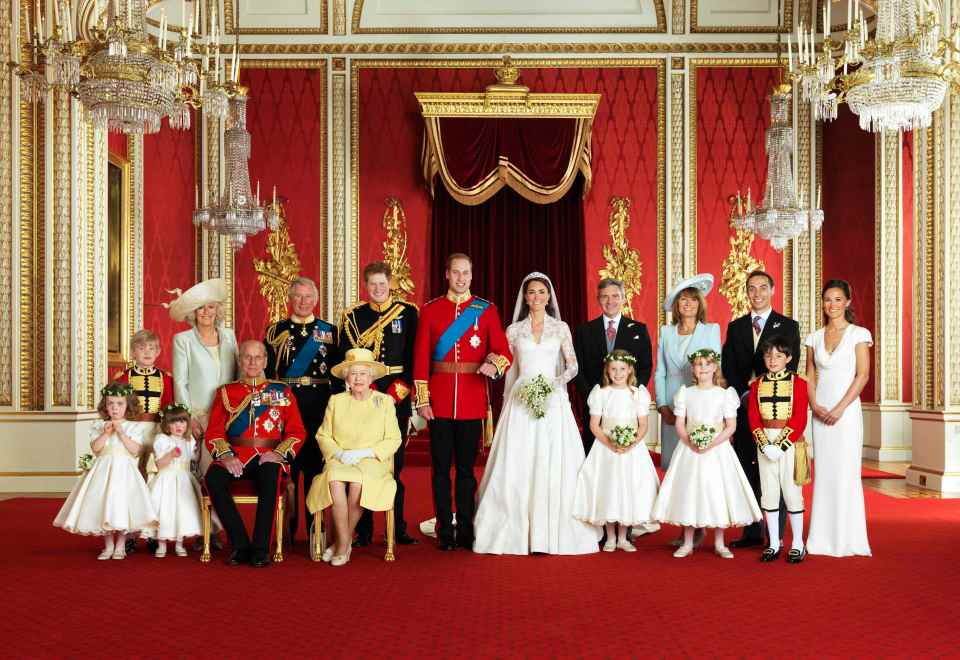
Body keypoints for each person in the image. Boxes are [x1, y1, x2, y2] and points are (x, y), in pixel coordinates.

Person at [473, 272, 600, 555]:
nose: (536, 297)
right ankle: (514, 531)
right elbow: (508, 366)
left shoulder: (561, 328)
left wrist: (552, 385)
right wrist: (501, 380)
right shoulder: (514, 330)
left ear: (549, 296)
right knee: (518, 461)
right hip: (521, 399)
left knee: (552, 460)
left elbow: (573, 366)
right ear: (525, 296)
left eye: (541, 292)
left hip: (553, 400)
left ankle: (552, 531)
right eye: (531, 292)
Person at [413, 253, 512, 551]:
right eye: (456, 273)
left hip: (471, 401)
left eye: (466, 273)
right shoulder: (430, 311)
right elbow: (420, 359)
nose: (461, 278)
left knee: (467, 471)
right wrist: (422, 399)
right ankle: (445, 531)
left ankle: (467, 530)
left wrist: (494, 365)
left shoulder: (487, 310)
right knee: (441, 471)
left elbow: (504, 352)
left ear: (471, 274)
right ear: (447, 275)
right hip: (439, 402)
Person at [203, 340, 306, 568]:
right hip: (235, 453)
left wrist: (278, 454)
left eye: (258, 357)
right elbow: (214, 432)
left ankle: (260, 549)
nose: (252, 362)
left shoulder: (282, 391)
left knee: (270, 474)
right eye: (247, 357)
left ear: (266, 361)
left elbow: (297, 431)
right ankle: (240, 545)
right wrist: (227, 456)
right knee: (213, 478)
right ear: (240, 360)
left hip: (268, 454)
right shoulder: (226, 392)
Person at [651, 349, 761, 558]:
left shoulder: (724, 394)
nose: (702, 368)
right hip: (690, 450)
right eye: (698, 364)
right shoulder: (686, 393)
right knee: (690, 491)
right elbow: (680, 424)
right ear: (693, 368)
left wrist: (712, 443)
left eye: (707, 364)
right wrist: (690, 440)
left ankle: (720, 542)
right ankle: (688, 542)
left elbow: (730, 426)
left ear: (714, 368)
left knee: (716, 491)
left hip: (717, 450)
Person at [339, 262, 419, 547]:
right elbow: (347, 359)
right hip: (364, 395)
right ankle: (363, 531)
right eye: (372, 284)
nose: (378, 289)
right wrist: (367, 392)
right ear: (365, 285)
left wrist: (397, 394)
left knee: (393, 465)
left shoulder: (408, 314)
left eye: (382, 284)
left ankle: (397, 527)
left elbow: (414, 357)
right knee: (362, 463)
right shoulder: (353, 317)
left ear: (390, 284)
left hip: (396, 395)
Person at [721, 270, 800, 549]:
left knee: (775, 468)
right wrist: (745, 391)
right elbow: (728, 365)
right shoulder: (736, 326)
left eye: (763, 288)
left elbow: (791, 365)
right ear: (746, 292)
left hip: (775, 410)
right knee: (747, 466)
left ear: (772, 290)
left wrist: (763, 386)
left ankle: (775, 534)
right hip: (744, 408)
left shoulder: (788, 326)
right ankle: (752, 530)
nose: (757, 294)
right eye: (752, 289)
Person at [306, 349, 402, 567]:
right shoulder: (336, 401)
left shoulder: (384, 402)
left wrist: (365, 453)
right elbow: (323, 435)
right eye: (353, 373)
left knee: (358, 483)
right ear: (347, 377)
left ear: (371, 377)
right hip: (341, 458)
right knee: (335, 480)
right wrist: (339, 453)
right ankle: (345, 542)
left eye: (363, 373)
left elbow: (394, 439)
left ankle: (341, 544)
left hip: (373, 460)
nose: (358, 378)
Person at [264, 276, 338, 543]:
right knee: (288, 472)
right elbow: (270, 376)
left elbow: (338, 376)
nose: (304, 302)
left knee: (316, 472)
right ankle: (287, 528)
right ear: (290, 299)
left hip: (319, 408)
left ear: (316, 299)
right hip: (287, 408)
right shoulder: (275, 331)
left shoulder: (330, 331)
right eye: (298, 296)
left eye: (308, 297)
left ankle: (316, 528)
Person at [804, 279, 873, 557]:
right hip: (820, 413)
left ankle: (848, 538)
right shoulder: (814, 337)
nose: (831, 305)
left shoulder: (859, 334)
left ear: (847, 302)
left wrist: (840, 408)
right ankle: (820, 538)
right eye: (827, 299)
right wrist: (814, 405)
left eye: (837, 299)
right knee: (824, 473)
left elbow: (863, 375)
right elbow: (809, 375)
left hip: (846, 414)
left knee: (845, 472)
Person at [53, 382, 158, 559]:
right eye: (111, 404)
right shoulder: (98, 425)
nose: (115, 408)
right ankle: (108, 545)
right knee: (104, 505)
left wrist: (122, 433)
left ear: (128, 405)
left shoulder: (133, 427)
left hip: (125, 471)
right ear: (105, 406)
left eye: (120, 404)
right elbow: (96, 448)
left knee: (123, 505)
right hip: (103, 471)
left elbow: (135, 450)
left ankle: (121, 545)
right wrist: (107, 433)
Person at [572, 349, 659, 552]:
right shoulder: (601, 394)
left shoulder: (637, 394)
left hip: (631, 450)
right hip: (606, 448)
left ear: (630, 370)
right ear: (607, 371)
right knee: (608, 488)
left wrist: (631, 442)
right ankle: (610, 536)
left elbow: (643, 425)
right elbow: (595, 425)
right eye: (613, 369)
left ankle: (623, 537)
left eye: (622, 369)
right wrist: (610, 443)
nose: (618, 373)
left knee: (628, 488)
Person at [747, 337, 810, 564]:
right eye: (768, 356)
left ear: (789, 358)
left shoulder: (799, 384)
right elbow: (753, 418)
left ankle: (797, 544)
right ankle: (774, 543)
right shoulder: (756, 385)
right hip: (764, 444)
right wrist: (764, 445)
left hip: (790, 443)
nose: (772, 361)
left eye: (778, 356)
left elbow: (800, 417)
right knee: (769, 492)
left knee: (793, 494)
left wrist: (780, 446)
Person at [574, 278, 653, 455]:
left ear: (624, 298)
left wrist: (631, 395)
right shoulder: (584, 331)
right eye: (605, 296)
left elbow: (646, 366)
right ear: (598, 299)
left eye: (615, 296)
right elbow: (576, 369)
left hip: (627, 409)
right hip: (595, 406)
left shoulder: (638, 330)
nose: (610, 301)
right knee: (595, 455)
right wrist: (593, 397)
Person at [654, 274, 721, 470]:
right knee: (673, 464)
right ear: (676, 304)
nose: (688, 304)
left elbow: (718, 369)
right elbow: (660, 372)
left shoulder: (711, 330)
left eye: (693, 299)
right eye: (683, 299)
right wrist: (662, 405)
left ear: (700, 304)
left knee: (699, 462)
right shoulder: (666, 332)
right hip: (672, 406)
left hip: (702, 403)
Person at [141, 403, 203, 558]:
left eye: (182, 421)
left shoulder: (189, 441)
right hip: (166, 479)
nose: (178, 426)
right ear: (167, 425)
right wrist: (170, 455)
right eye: (174, 422)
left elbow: (194, 460)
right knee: (165, 510)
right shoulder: (162, 439)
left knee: (182, 510)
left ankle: (179, 543)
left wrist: (199, 445)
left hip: (184, 480)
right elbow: (159, 465)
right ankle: (161, 543)